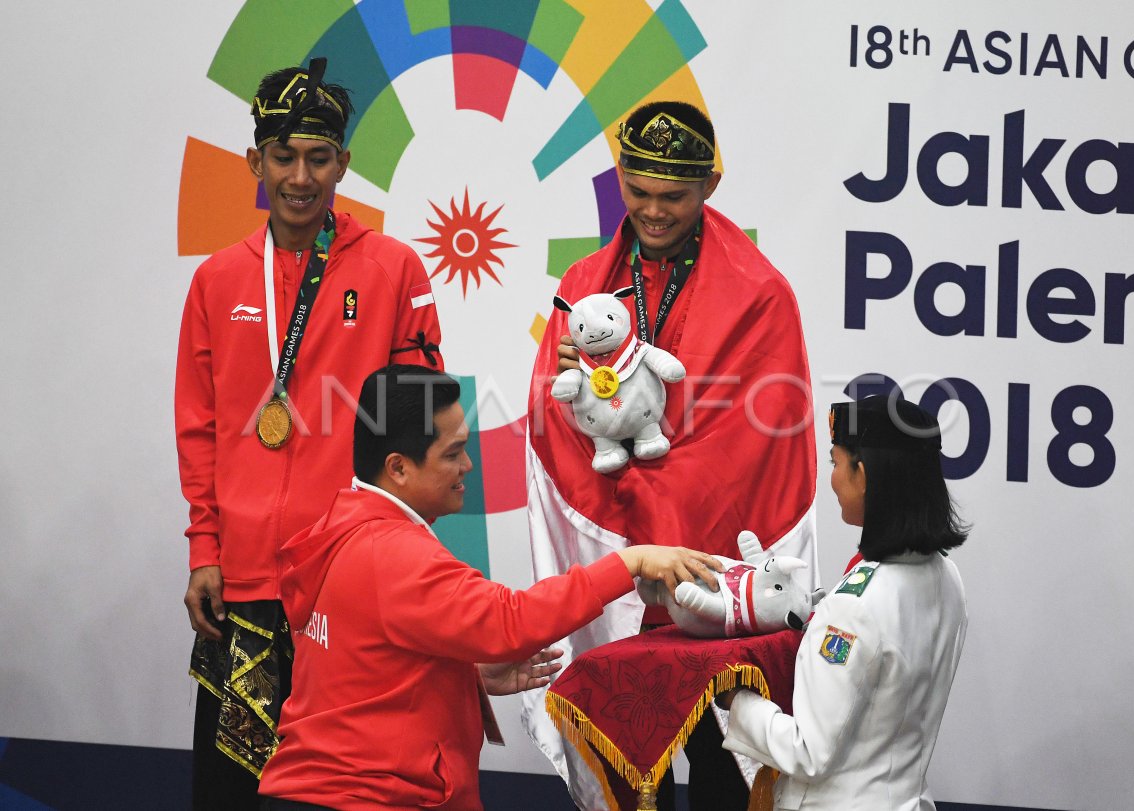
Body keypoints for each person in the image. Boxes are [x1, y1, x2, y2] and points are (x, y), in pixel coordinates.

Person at [523, 101, 819, 810]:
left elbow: (752, 446)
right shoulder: (582, 285)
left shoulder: (761, 294)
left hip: (712, 574)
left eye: (673, 196)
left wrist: (648, 513)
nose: (653, 212)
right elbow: (548, 417)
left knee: (724, 766)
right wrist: (573, 395)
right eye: (639, 192)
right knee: (623, 763)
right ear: (620, 176)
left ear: (709, 186)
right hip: (623, 563)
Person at [256, 364, 724, 811]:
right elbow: (511, 621)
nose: (468, 466)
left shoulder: (340, 527)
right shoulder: (394, 554)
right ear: (397, 468)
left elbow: (363, 668)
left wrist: (464, 677)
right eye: (453, 452)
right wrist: (631, 560)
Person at [175, 59, 443, 810]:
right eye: (284, 157)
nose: (301, 176)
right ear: (253, 161)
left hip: (350, 584)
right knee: (233, 790)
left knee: (344, 791)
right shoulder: (219, 279)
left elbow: (418, 430)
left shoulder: (393, 268)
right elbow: (198, 429)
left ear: (344, 163)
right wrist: (204, 547)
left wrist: (393, 560)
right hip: (245, 582)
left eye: (319, 157)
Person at [718, 395, 970, 809]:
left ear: (864, 474)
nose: (831, 478)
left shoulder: (855, 606)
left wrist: (735, 699)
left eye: (835, 463)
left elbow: (808, 753)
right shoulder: (947, 577)